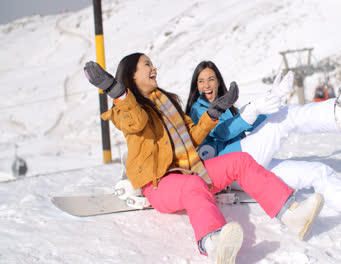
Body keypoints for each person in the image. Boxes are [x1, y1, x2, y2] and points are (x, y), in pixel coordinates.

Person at [83, 53, 325, 264]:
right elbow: (138, 120)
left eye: (153, 63)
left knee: (239, 160)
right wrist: (118, 92)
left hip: (190, 168)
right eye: (147, 64)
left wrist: (213, 113)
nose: (154, 68)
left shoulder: (167, 101)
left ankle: (290, 213)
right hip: (159, 184)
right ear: (132, 76)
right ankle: (213, 242)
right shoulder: (124, 110)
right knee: (192, 185)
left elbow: (193, 137)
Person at [185, 60, 341, 230]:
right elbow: (222, 132)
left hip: (247, 167)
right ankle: (337, 114)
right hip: (233, 164)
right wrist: (254, 110)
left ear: (218, 81)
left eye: (211, 79)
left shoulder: (225, 106)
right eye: (202, 81)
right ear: (196, 85)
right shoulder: (197, 109)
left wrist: (269, 102)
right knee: (285, 119)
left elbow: (247, 125)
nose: (207, 85)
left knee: (317, 171)